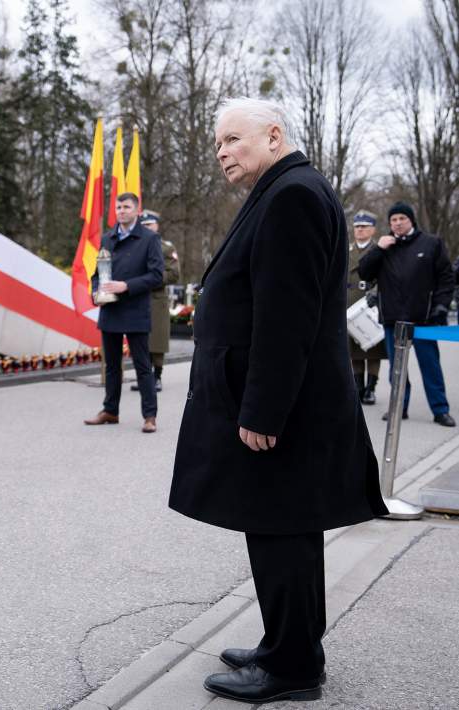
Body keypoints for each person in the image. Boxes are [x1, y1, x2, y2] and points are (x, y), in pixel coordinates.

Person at [170, 97, 387, 704]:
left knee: (280, 529)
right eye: (217, 144)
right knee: (280, 528)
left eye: (233, 140)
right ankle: (285, 644)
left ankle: (292, 666)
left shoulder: (292, 195)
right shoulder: (283, 189)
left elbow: (285, 318)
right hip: (277, 402)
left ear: (272, 135)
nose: (221, 153)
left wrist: (262, 412)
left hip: (279, 410)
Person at [358, 202, 456, 427]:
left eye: (402, 218)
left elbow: (446, 278)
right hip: (393, 319)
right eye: (393, 220)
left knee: (430, 366)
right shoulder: (385, 246)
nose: (397, 223)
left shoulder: (431, 244)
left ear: (411, 220)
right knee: (397, 368)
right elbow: (364, 271)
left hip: (423, 319)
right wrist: (378, 249)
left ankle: (440, 410)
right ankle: (399, 407)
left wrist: (441, 306)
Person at [83, 192, 164, 433]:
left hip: (135, 309)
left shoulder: (149, 238)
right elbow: (98, 273)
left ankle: (150, 416)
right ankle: (110, 410)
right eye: (118, 207)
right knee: (112, 366)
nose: (121, 210)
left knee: (142, 366)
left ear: (136, 211)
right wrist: (96, 292)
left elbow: (157, 275)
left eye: (126, 207)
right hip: (110, 311)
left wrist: (126, 286)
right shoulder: (108, 238)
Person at [131, 209, 180, 393]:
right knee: (140, 340)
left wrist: (151, 279)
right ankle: (143, 376)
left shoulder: (165, 247)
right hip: (137, 298)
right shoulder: (135, 246)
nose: (147, 228)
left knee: (157, 340)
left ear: (157, 225)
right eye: (143, 225)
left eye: (149, 225)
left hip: (157, 298)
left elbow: (174, 274)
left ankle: (157, 376)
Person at [347, 210, 386, 405]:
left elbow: (385, 276)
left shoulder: (378, 250)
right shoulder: (347, 250)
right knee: (353, 348)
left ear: (372, 230)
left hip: (370, 303)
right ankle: (358, 386)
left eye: (364, 227)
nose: (360, 230)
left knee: (372, 349)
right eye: (357, 227)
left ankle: (371, 388)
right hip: (349, 303)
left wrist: (376, 294)